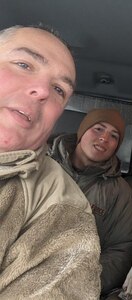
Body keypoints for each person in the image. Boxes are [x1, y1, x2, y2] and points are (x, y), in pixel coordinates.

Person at [0, 24, 101, 298]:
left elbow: (120, 247)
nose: (43, 90)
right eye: (24, 64)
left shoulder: (65, 209)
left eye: (58, 89)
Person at [48, 108, 132, 298]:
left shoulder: (121, 193)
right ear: (82, 131)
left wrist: (78, 284)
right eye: (98, 128)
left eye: (113, 136)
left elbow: (121, 251)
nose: (104, 138)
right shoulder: (41, 165)